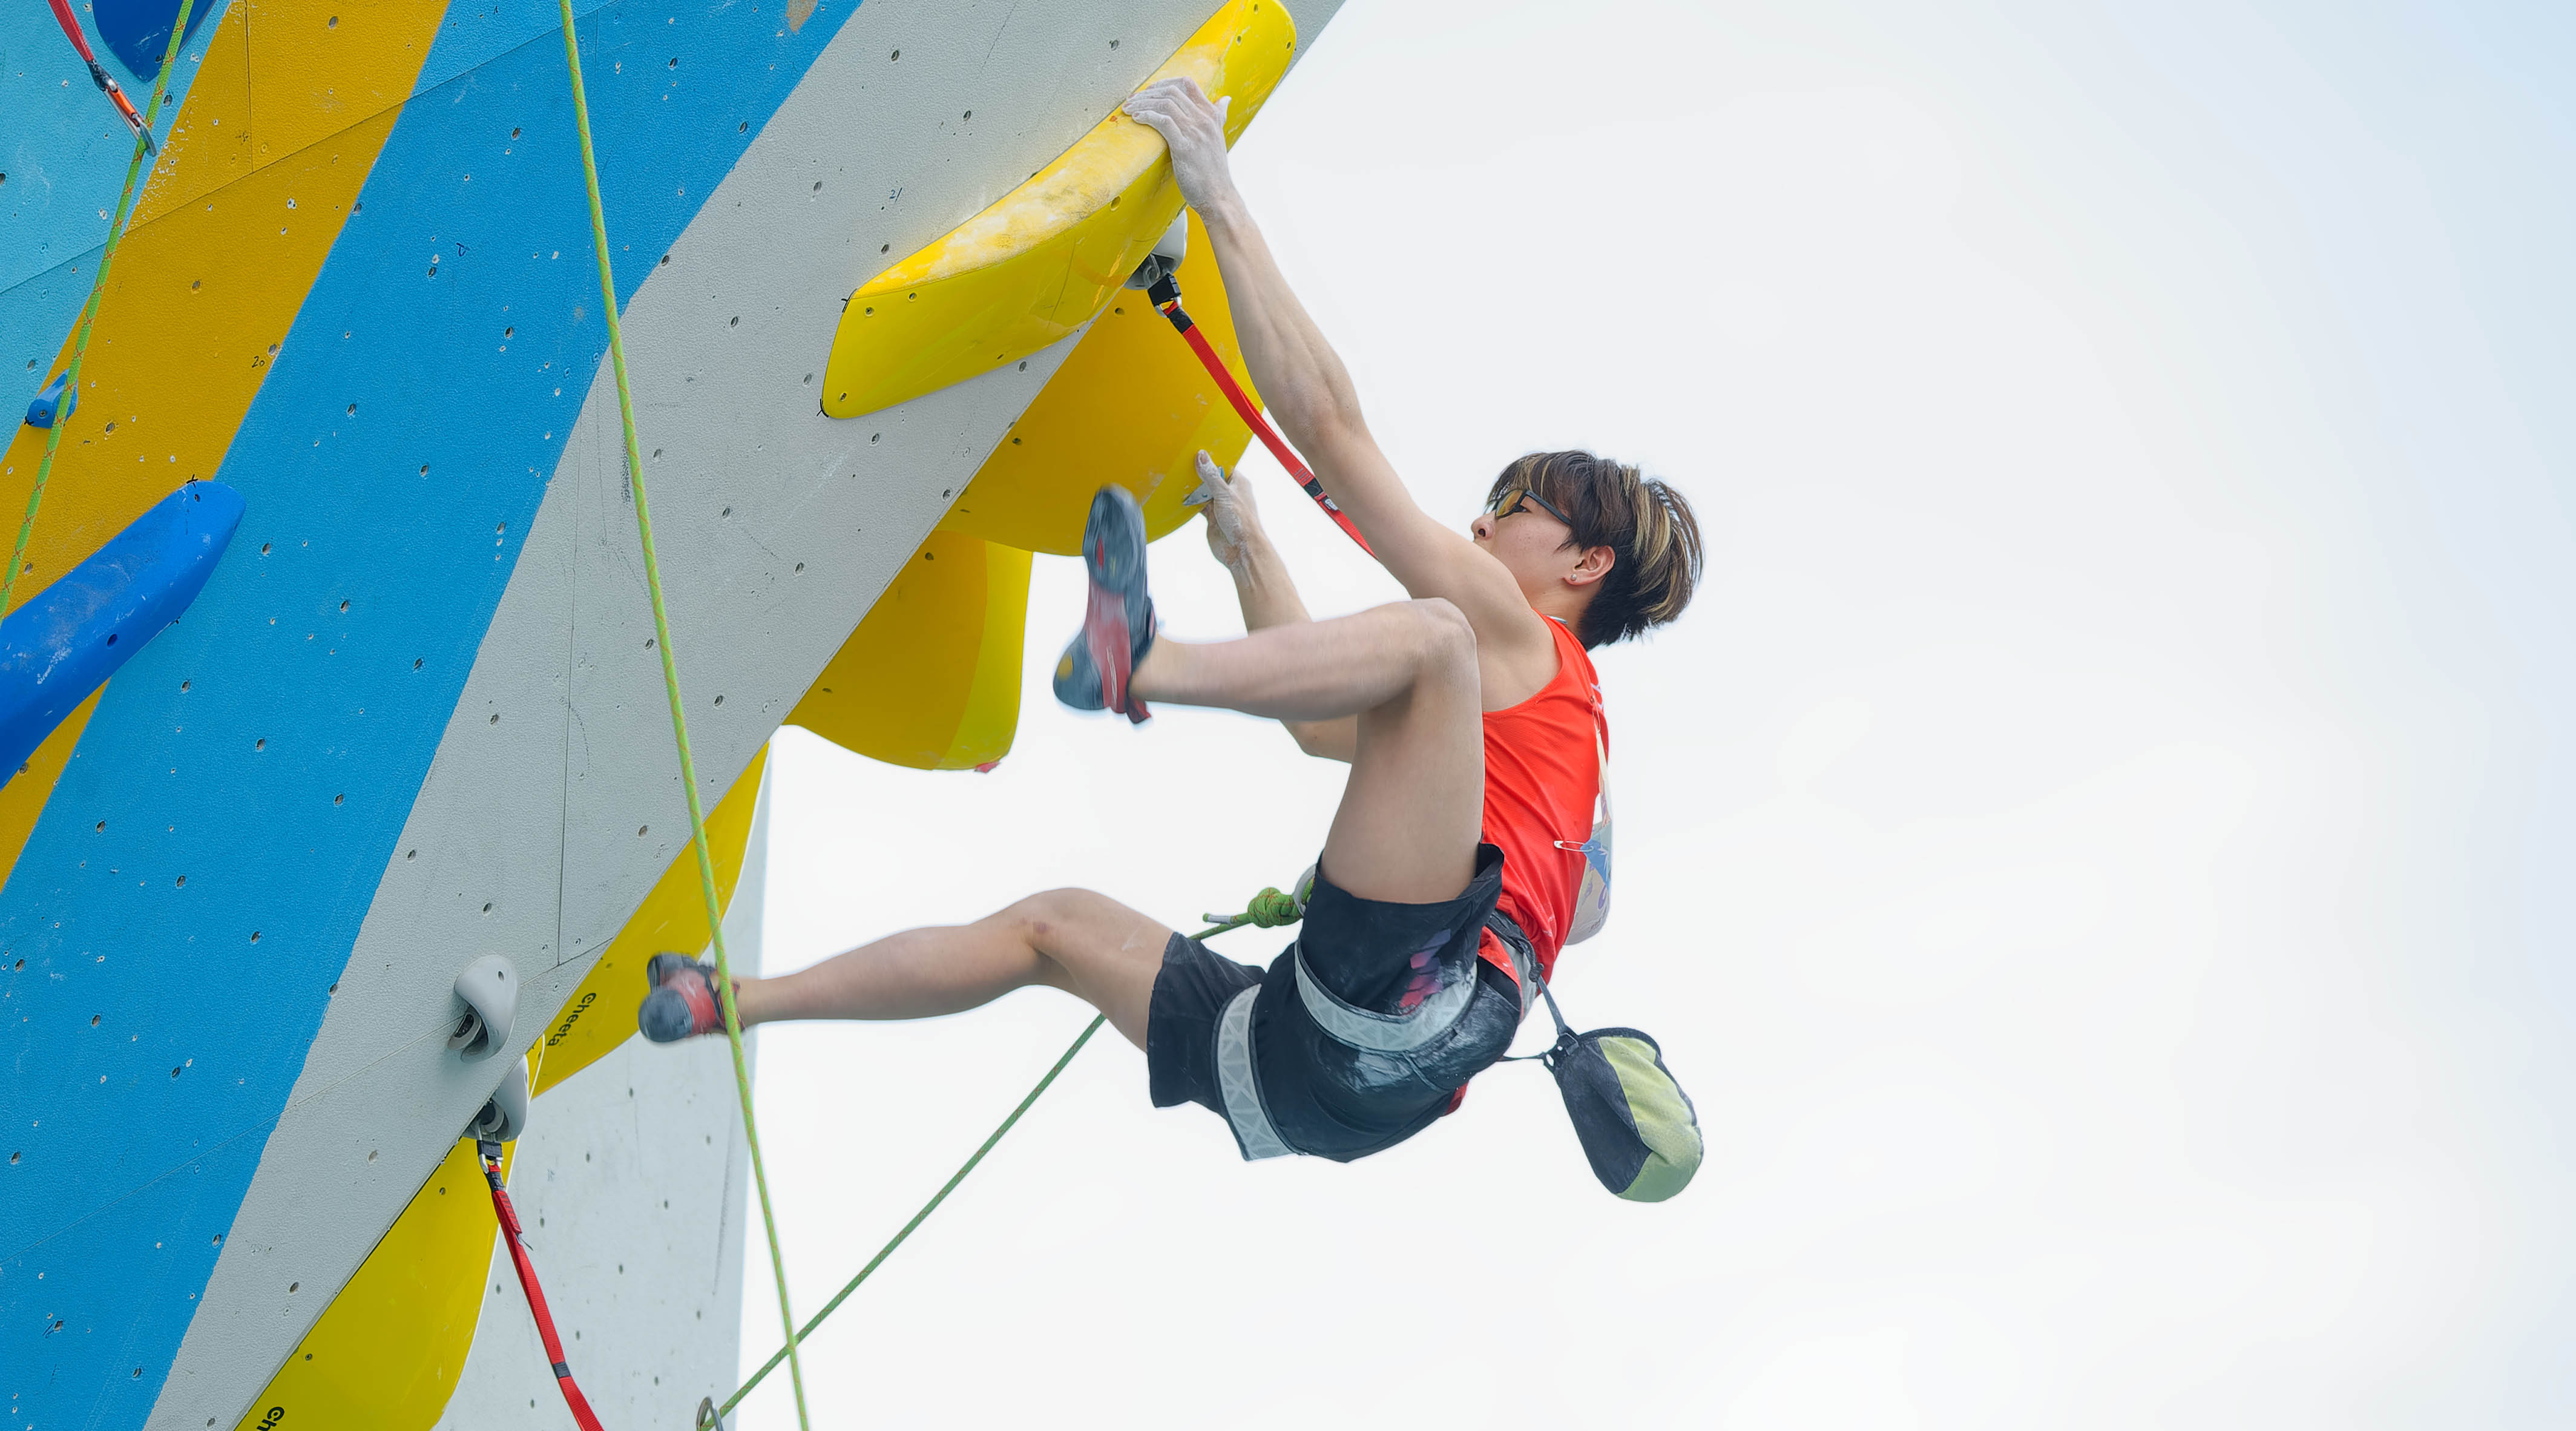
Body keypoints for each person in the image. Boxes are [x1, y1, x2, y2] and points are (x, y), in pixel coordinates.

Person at [638, 77, 1703, 1163]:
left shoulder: (1525, 646)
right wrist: (1249, 550)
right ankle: (736, 1002)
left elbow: (1334, 431)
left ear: (1586, 561)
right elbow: (1323, 727)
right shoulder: (1552, 745)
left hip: (1405, 1010)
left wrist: (1216, 193)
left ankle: (1137, 661)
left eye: (1513, 507)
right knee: (1047, 929)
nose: (1481, 521)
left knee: (1431, 636)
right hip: (1309, 1077)